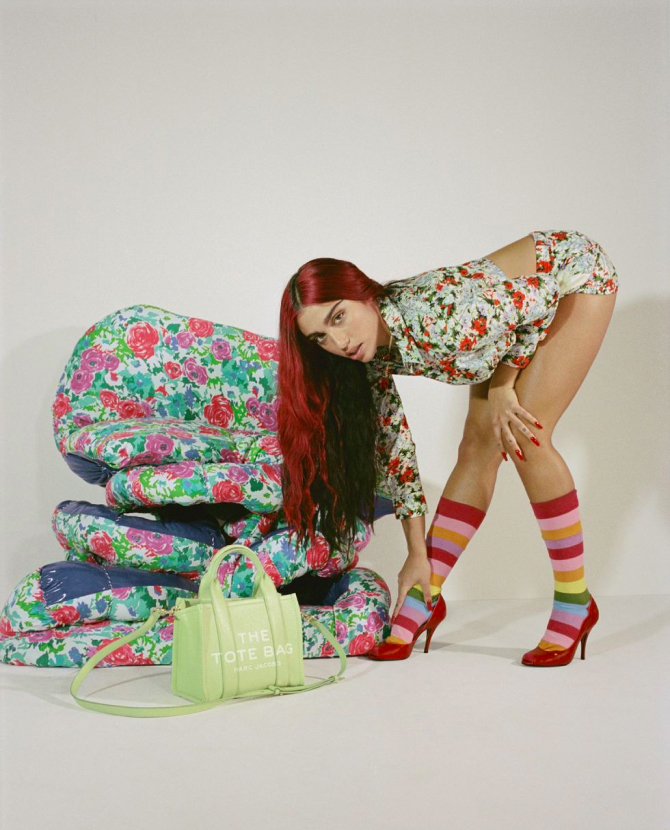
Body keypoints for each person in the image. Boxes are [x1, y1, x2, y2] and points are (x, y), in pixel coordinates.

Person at [277, 230, 619, 667]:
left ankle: (575, 603)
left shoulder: (437, 319)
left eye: (339, 316)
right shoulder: (370, 353)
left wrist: (503, 385)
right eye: (320, 337)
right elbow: (396, 450)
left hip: (574, 276)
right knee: (476, 448)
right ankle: (425, 595)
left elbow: (544, 295)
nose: (339, 342)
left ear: (362, 291)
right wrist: (416, 555)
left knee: (525, 435)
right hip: (509, 316)